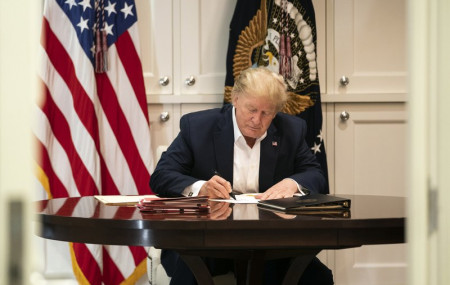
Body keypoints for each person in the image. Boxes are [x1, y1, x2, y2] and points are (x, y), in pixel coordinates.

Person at [150, 67, 333, 285]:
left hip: (271, 241)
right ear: (235, 99)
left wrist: (293, 183)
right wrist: (200, 188)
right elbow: (161, 175)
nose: (257, 120)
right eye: (251, 109)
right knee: (189, 272)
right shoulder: (198, 127)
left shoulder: (292, 130)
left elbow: (315, 174)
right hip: (206, 240)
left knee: (318, 277)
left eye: (267, 113)